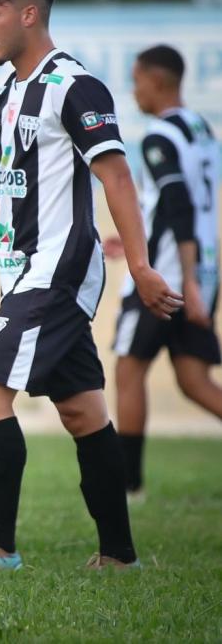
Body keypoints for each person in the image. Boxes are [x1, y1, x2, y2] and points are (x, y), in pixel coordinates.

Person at [0, 0, 181, 570]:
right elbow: (10, 189)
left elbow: (117, 175)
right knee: (82, 411)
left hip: (59, 267)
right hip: (25, 269)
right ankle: (120, 557)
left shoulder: (74, 86)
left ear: (29, 13)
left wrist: (143, 266)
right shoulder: (12, 93)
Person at [106, 45, 222, 501]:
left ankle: (128, 484)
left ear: (155, 81)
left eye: (136, 81)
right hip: (203, 269)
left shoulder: (158, 136)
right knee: (194, 381)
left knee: (128, 370)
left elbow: (177, 205)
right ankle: (129, 481)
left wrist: (185, 278)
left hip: (168, 276)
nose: (134, 91)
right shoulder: (200, 129)